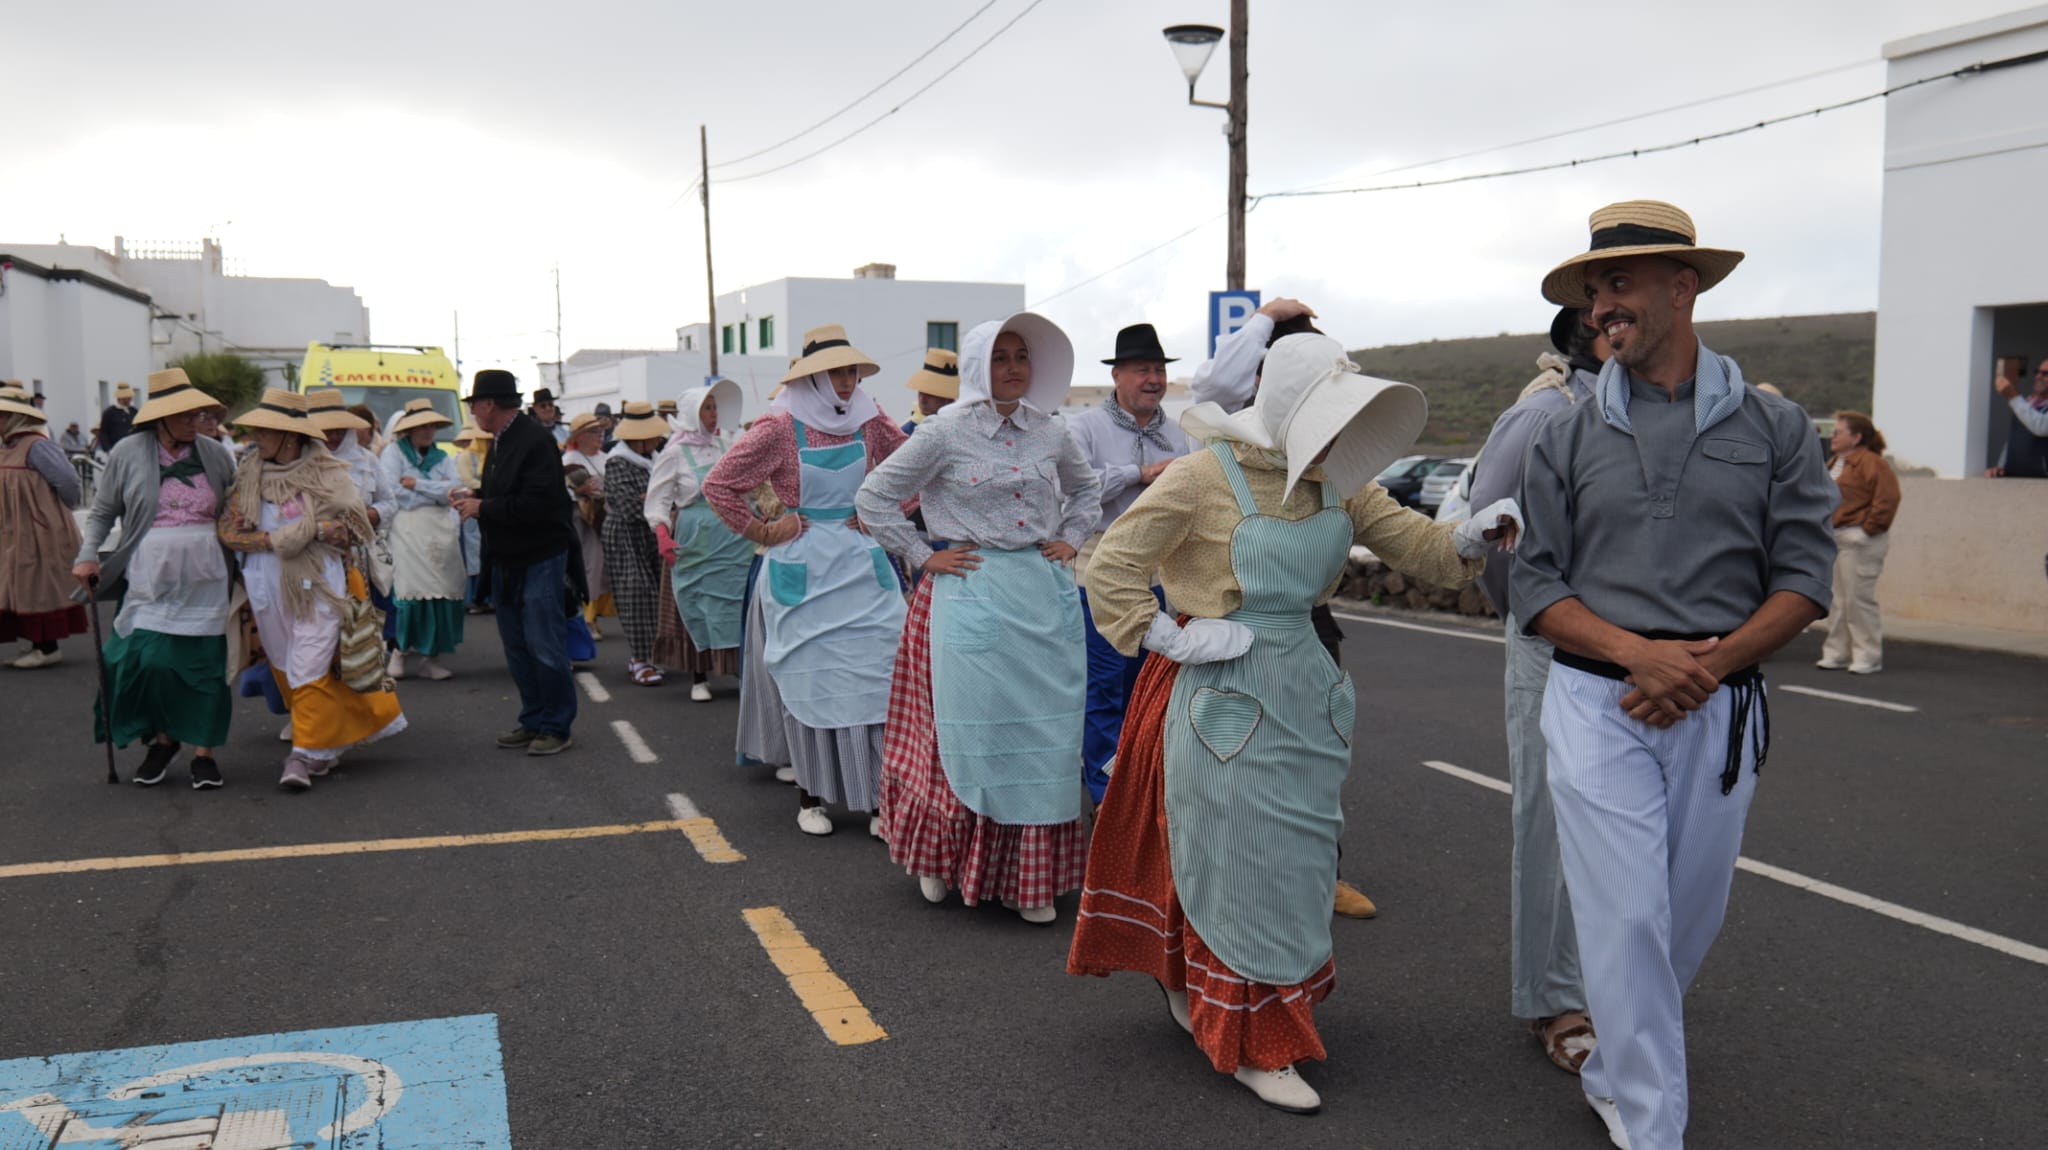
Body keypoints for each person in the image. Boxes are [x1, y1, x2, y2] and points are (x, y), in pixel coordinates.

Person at [1068, 333, 1519, 1115]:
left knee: (1299, 864)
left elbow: (1420, 546)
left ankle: (1204, 989)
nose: (1343, 437)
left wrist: (1471, 536)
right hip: (1222, 689)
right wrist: (1172, 634)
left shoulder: (1341, 481)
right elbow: (1107, 563)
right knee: (1240, 863)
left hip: (1306, 686)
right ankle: (1252, 1037)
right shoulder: (1203, 476)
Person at [1516, 201, 1837, 1150]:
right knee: (1626, 914)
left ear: (1681, 286)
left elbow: (1805, 575)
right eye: (1591, 292)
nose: (1600, 307)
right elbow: (1535, 584)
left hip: (1719, 702)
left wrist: (1710, 663)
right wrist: (1637, 655)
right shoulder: (1563, 435)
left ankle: (1616, 1069)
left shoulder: (1775, 425)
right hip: (1595, 695)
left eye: (1618, 285)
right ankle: (1654, 1128)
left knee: (1683, 920)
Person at [857, 313, 1102, 923]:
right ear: (976, 366)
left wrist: (1071, 537)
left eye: (1022, 356)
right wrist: (921, 553)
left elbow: (1087, 490)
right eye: (1001, 357)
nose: (1015, 367)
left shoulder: (1052, 432)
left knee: (1044, 738)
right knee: (966, 735)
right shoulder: (943, 433)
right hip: (969, 591)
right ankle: (940, 860)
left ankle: (1032, 880)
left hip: (1040, 597)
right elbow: (873, 498)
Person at [1184, 297, 1382, 921]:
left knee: (1313, 759)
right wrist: (1263, 322)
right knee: (1231, 778)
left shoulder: (1336, 468)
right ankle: (1223, 903)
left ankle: (1320, 876)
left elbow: (1403, 533)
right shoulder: (1224, 452)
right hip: (1221, 637)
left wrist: (1467, 541)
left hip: (1307, 623)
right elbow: (1211, 382)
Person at [1464, 304, 1613, 1074]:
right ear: (1584, 335)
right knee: (1549, 822)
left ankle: (1614, 985)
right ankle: (1555, 1000)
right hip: (1555, 643)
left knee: (1626, 830)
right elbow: (1486, 527)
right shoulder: (1543, 416)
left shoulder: (1651, 411)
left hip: (1636, 650)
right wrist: (1535, 621)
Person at [703, 324, 910, 837]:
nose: (846, 381)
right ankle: (810, 796)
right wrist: (764, 530)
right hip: (804, 564)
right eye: (836, 371)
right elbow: (719, 484)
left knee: (879, 674)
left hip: (862, 564)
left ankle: (879, 803)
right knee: (809, 679)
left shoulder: (871, 420)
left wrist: (883, 513)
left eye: (851, 370)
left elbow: (918, 470)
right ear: (812, 376)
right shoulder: (778, 427)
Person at [218, 390, 408, 789]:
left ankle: (302, 756)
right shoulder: (249, 473)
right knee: (288, 665)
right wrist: (277, 541)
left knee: (308, 666)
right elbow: (230, 531)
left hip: (321, 582)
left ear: (289, 436)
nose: (256, 436)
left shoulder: (330, 473)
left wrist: (320, 532)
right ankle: (325, 742)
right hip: (266, 582)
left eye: (265, 430)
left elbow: (358, 528)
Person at [73, 369, 239, 788]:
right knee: (145, 661)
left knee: (204, 665)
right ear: (161, 417)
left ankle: (204, 752)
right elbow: (103, 511)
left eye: (198, 413)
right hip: (150, 575)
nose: (195, 420)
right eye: (185, 414)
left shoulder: (215, 453)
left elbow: (235, 507)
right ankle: (164, 741)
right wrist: (88, 555)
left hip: (206, 575)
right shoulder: (128, 452)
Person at [1064, 322, 1193, 805]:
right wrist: (1138, 474)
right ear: (1117, 375)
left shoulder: (1179, 434)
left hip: (1159, 567)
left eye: (1159, 370)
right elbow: (1072, 488)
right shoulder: (1085, 427)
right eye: (1142, 370)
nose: (1154, 379)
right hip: (1100, 560)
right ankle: (1105, 792)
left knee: (1150, 684)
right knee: (1105, 682)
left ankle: (1140, 784)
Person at [453, 370, 581, 755]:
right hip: (509, 555)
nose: (473, 411)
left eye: (474, 403)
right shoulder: (504, 439)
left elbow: (539, 504)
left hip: (539, 554)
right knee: (516, 643)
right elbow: (509, 494)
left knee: (544, 642)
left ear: (489, 404)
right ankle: (534, 719)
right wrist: (474, 495)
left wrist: (483, 506)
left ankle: (556, 726)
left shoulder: (533, 440)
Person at [646, 378, 750, 701]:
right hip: (695, 536)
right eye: (706, 408)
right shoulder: (674, 452)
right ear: (692, 412)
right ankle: (698, 676)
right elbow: (658, 498)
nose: (713, 413)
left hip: (730, 535)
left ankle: (738, 668)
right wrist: (662, 533)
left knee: (734, 601)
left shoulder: (726, 446)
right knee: (696, 602)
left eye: (715, 407)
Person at [380, 398, 467, 680]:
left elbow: (453, 490)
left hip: (439, 528)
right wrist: (436, 491)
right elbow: (393, 492)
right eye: (422, 426)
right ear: (409, 429)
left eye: (431, 426)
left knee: (444, 590)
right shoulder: (393, 453)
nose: (428, 431)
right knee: (409, 591)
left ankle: (430, 657)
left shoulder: (442, 457)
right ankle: (400, 652)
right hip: (407, 528)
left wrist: (418, 484)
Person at [2, 390, 87, 669]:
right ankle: (36, 644)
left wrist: (54, 514)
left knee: (39, 583)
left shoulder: (37, 446)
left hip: (40, 528)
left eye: (3, 415)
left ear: (18, 417)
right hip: (14, 529)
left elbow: (68, 482)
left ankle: (48, 647)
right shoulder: (9, 445)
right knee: (19, 583)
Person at [1818, 410, 1901, 675]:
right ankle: (1838, 652)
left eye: (1839, 431)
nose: (1833, 436)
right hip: (1836, 538)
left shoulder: (1872, 463)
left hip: (1859, 541)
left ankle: (1867, 655)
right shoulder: (1834, 462)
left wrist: (1867, 530)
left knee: (1858, 599)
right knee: (1838, 600)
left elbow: (1887, 499)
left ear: (1856, 437)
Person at [599, 401, 672, 685]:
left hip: (650, 532)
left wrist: (648, 497)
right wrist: (654, 498)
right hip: (625, 535)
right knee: (637, 595)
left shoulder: (653, 457)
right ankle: (641, 659)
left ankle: (648, 656)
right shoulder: (617, 461)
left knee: (657, 595)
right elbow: (630, 507)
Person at [561, 412, 613, 638]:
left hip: (602, 516)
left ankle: (594, 613)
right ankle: (588, 618)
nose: (599, 435)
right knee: (589, 562)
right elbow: (560, 490)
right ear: (580, 437)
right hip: (579, 518)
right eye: (593, 431)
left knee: (600, 565)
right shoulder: (569, 460)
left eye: (600, 431)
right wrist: (578, 492)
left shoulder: (604, 457)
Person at [453, 422, 492, 613]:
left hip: (488, 506)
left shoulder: (492, 456)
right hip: (471, 506)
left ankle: (487, 595)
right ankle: (472, 596)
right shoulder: (465, 458)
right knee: (472, 552)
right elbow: (466, 480)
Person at [1986, 360, 2048, 478]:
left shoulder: (2019, 402)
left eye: (2045, 374)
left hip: (2041, 482)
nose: (2038, 376)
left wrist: (2013, 396)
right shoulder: (2026, 402)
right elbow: (2013, 438)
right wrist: (2001, 466)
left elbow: (2041, 427)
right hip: (2013, 477)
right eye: (2037, 372)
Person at [902, 348, 960, 433]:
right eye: (920, 392)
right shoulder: (908, 433)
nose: (922, 400)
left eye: (930, 394)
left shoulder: (965, 428)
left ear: (947, 398)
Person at [96, 382, 137, 454]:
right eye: (126, 397)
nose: (128, 399)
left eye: (129, 397)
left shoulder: (134, 411)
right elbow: (103, 432)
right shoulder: (109, 412)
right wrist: (108, 449)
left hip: (133, 449)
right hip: (115, 449)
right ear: (120, 398)